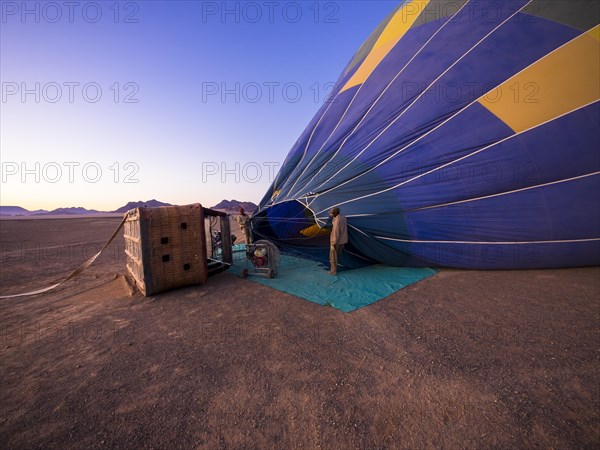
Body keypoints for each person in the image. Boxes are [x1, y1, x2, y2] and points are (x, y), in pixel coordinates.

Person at [328, 206, 347, 275]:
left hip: (337, 242)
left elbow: (336, 233)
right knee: (338, 255)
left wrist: (333, 243)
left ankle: (333, 271)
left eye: (332, 213)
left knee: (333, 257)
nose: (332, 215)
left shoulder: (337, 220)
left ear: (336, 212)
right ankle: (337, 267)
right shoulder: (343, 217)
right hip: (343, 240)